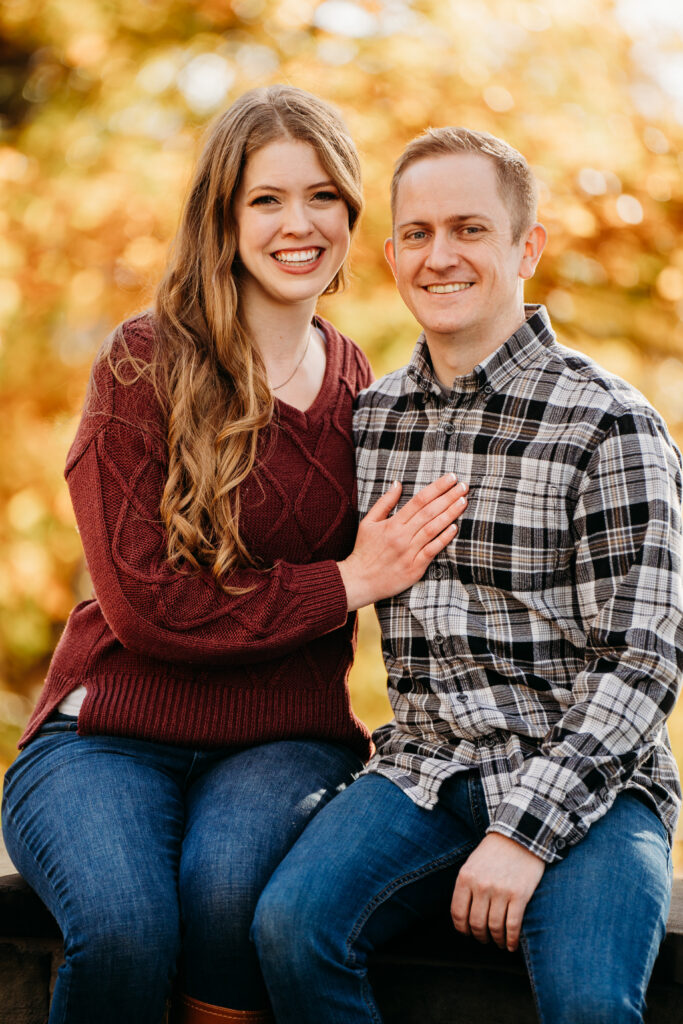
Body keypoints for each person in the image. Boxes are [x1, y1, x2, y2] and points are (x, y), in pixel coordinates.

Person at [1, 89, 469, 1024]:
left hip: (280, 737)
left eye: (322, 197)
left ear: (349, 215)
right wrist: (343, 581)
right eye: (265, 200)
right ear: (221, 215)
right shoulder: (142, 363)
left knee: (227, 903)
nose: (298, 225)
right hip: (110, 730)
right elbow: (142, 602)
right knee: (124, 927)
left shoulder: (359, 387)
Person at [252, 127, 683, 1024]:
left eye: (469, 229)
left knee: (589, 1004)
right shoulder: (368, 424)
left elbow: (643, 666)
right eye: (416, 233)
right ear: (390, 253)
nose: (438, 256)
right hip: (423, 771)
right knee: (291, 929)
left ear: (527, 246)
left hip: (589, 783)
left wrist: (521, 834)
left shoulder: (608, 424)